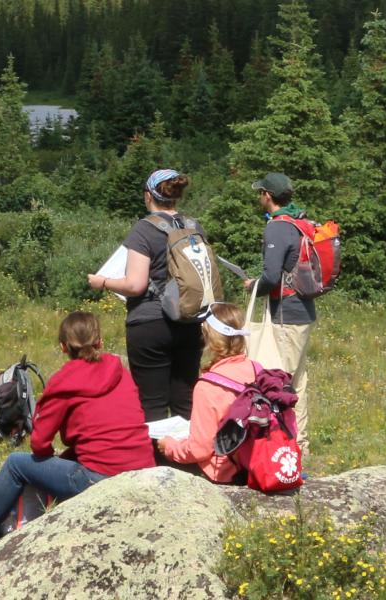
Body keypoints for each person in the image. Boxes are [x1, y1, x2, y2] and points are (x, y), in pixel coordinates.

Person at [0, 311, 154, 553]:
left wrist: (53, 454)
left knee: (16, 463)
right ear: (100, 342)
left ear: (63, 347)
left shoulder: (64, 381)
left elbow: (39, 442)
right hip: (144, 468)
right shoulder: (120, 370)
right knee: (69, 458)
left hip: (101, 476)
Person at [86, 169, 204, 422]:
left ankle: (157, 460)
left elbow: (135, 285)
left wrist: (103, 282)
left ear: (148, 196)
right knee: (185, 402)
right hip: (190, 321)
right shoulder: (194, 226)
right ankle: (186, 460)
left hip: (151, 322)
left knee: (153, 405)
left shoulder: (144, 230)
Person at [243, 172, 319, 438]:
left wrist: (254, 285)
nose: (259, 197)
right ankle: (300, 443)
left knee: (280, 381)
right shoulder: (299, 222)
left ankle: (284, 443)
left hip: (287, 314)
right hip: (304, 311)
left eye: (260, 193)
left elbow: (272, 276)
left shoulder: (276, 226)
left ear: (268, 195)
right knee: (298, 381)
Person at [157, 303, 250, 483]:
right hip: (251, 461)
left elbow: (199, 450)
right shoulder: (257, 369)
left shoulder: (207, 386)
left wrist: (169, 447)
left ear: (208, 337)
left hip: (224, 472)